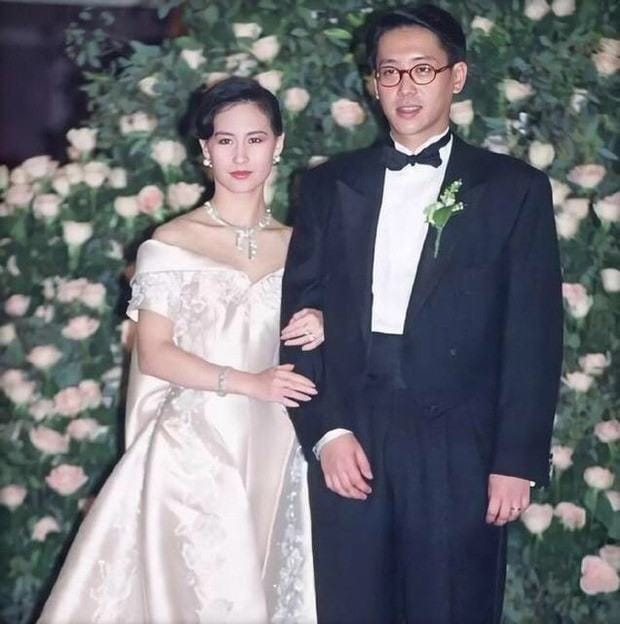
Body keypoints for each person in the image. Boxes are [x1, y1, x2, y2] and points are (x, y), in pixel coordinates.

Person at [281, 5, 563, 623]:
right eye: (390, 72)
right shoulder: (329, 185)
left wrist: (514, 461)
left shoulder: (513, 189)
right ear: (373, 83)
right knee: (352, 607)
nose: (405, 87)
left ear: (456, 77)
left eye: (422, 70)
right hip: (353, 431)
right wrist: (325, 432)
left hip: (459, 442)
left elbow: (533, 335)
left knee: (452, 607)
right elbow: (298, 321)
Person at [38, 77, 320, 624]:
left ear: (278, 145)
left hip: (279, 439)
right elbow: (156, 353)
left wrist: (323, 322)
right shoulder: (171, 242)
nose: (241, 156)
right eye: (225, 140)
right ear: (205, 150)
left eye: (256, 139)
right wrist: (250, 382)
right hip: (195, 443)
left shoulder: (302, 246)